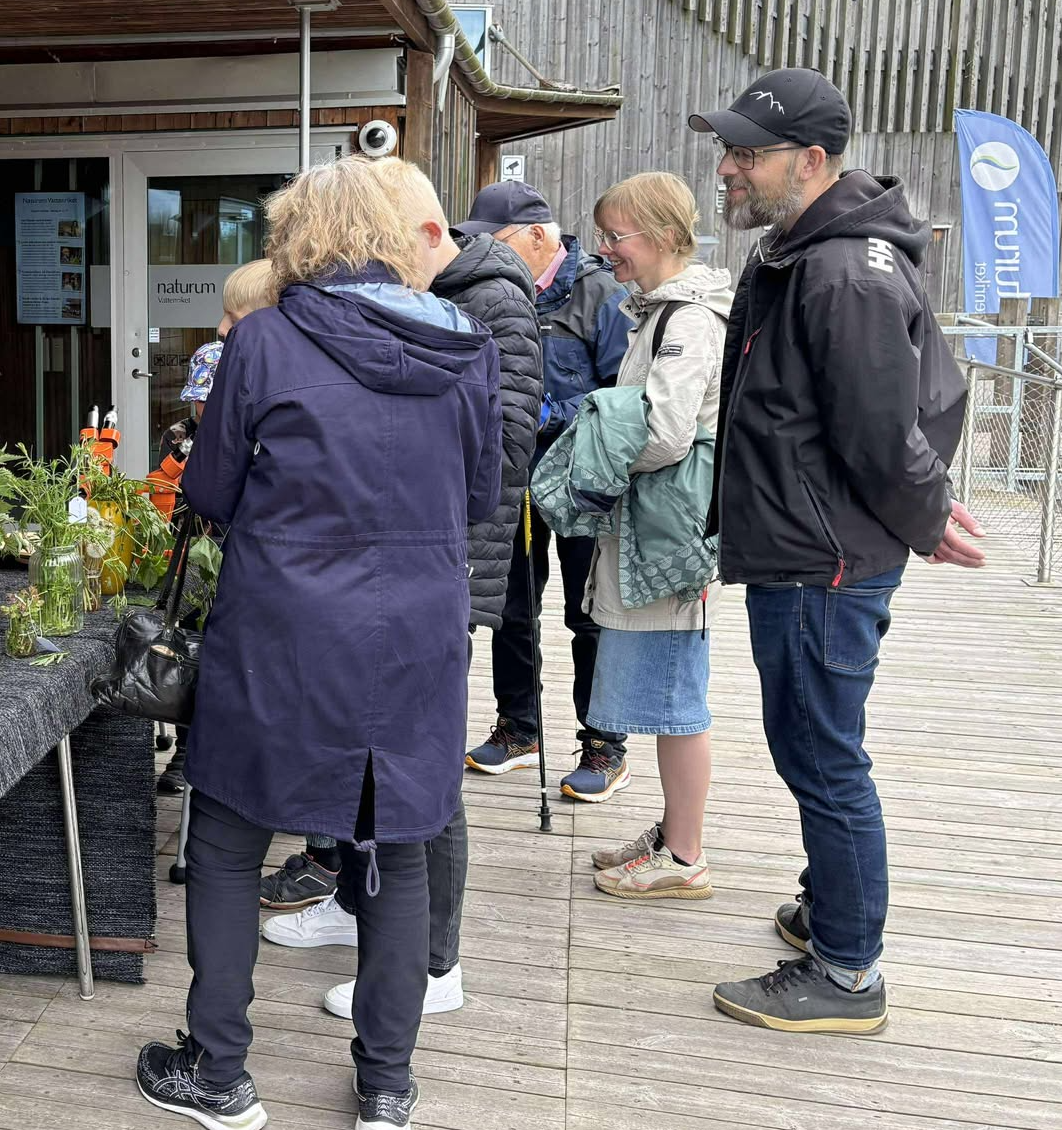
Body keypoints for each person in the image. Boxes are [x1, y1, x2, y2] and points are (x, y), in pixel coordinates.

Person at [133, 156, 502, 1130]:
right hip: (416, 629)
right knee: (394, 846)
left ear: (297, 236)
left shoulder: (263, 342)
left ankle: (217, 1073)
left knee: (223, 840)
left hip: (282, 627)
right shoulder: (466, 346)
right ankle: (385, 1088)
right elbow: (477, 501)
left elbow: (207, 491)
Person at [689, 68, 983, 1033]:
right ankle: (831, 907)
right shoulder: (807, 250)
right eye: (729, 149)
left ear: (809, 162)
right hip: (810, 548)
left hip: (825, 559)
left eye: (748, 154)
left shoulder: (841, 268)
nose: (729, 168)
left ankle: (848, 970)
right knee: (813, 741)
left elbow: (875, 425)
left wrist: (926, 512)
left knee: (823, 755)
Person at [258, 208, 543, 1023]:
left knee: (424, 771)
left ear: (415, 231)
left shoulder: (485, 304)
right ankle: (358, 904)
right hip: (397, 561)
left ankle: (431, 963)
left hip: (439, 566)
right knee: (369, 753)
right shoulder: (432, 297)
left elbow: (505, 450)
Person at [573, 172, 732, 901]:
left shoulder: (688, 319)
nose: (607, 251)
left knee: (678, 697)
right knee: (671, 692)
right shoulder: (660, 313)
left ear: (664, 236)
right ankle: (675, 833)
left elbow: (666, 432)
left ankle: (686, 854)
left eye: (617, 237)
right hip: (659, 526)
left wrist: (598, 456)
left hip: (668, 530)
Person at [460, 182, 635, 802]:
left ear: (539, 235)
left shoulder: (601, 292)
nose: (486, 251)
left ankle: (604, 741)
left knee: (589, 614)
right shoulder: (494, 294)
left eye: (495, 241)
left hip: (584, 481)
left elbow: (625, 397)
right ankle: (518, 727)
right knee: (509, 609)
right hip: (514, 480)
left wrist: (552, 410)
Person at [157, 258, 277, 797]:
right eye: (198, 398)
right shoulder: (181, 436)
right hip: (195, 559)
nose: (204, 406)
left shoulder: (265, 413)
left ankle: (210, 755)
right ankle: (186, 747)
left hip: (246, 564)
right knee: (187, 638)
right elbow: (178, 501)